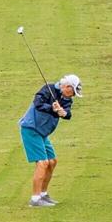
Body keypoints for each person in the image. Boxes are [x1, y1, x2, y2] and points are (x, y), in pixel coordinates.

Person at [18, 74, 82, 207]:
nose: (73, 95)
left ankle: (43, 194)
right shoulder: (48, 89)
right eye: (73, 92)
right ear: (67, 86)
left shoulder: (66, 98)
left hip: (43, 132)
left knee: (52, 162)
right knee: (43, 163)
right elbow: (38, 104)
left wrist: (64, 113)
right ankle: (35, 199)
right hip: (32, 128)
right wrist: (52, 108)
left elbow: (67, 112)